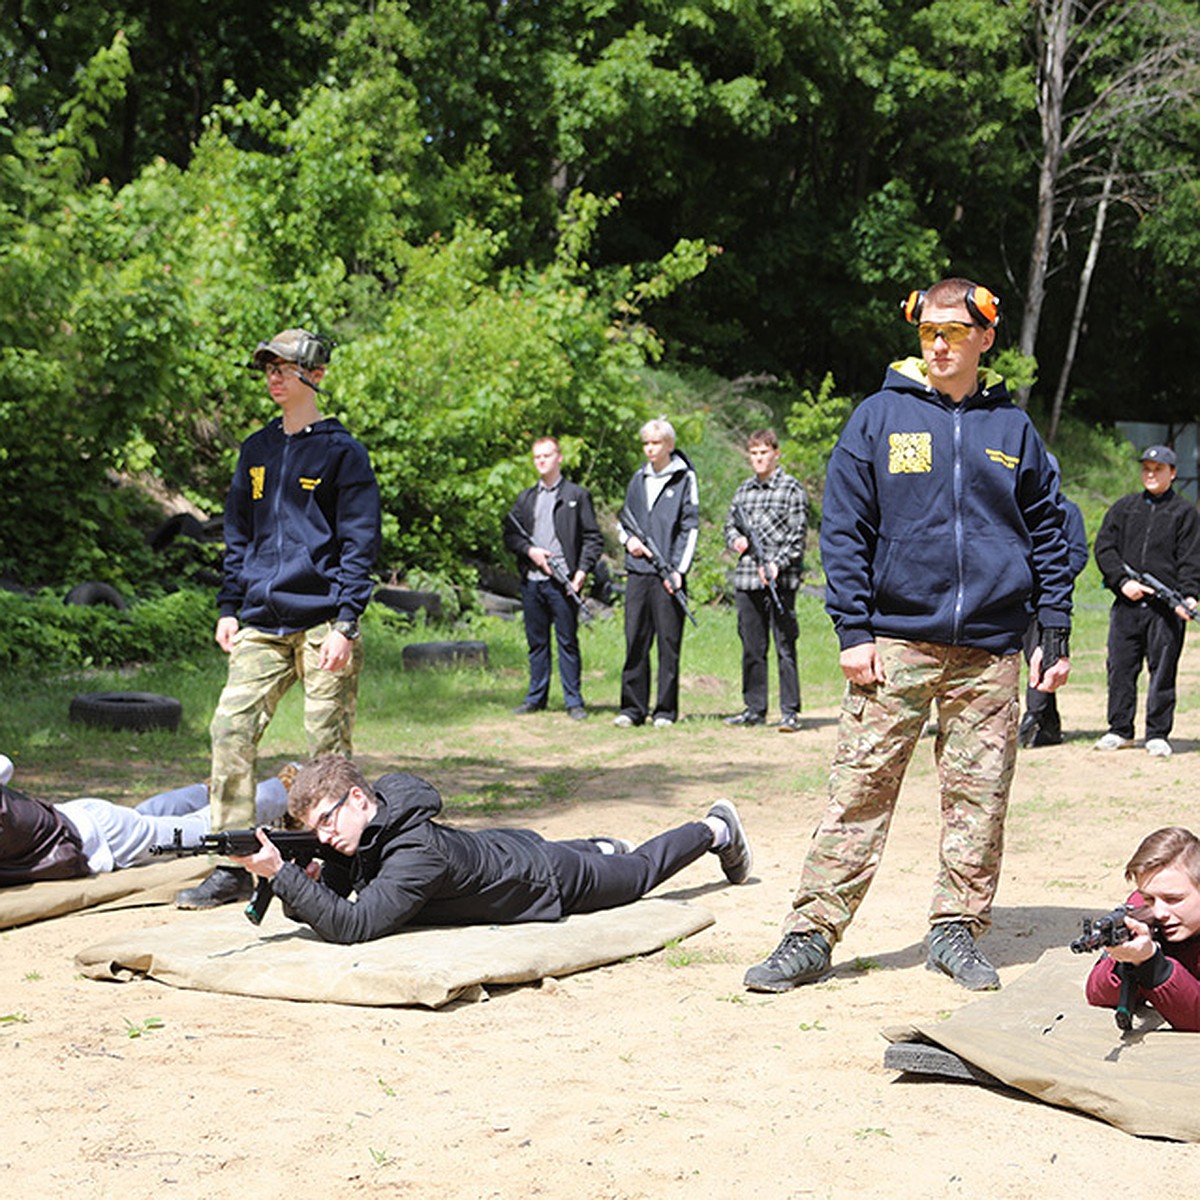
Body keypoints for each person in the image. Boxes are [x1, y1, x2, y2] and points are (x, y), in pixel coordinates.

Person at [743, 278, 1074, 995]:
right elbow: (844, 529)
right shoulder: (878, 418)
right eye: (929, 331)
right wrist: (853, 628)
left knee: (979, 799)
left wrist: (1054, 625)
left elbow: (1050, 529)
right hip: (893, 641)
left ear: (986, 337)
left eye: (955, 331)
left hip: (990, 649)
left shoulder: (1012, 429)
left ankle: (956, 931)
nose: (941, 343)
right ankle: (810, 933)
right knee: (858, 790)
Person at [176, 327, 381, 910]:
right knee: (229, 730)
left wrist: (346, 622)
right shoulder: (256, 449)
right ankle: (234, 864)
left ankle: (335, 865)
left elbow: (359, 541)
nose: (273, 377)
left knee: (325, 755)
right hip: (261, 620)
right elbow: (238, 537)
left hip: (323, 623)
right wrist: (228, 607)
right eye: (267, 368)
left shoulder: (343, 452)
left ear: (312, 375)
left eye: (283, 368)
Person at [229, 753, 752, 943]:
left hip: (544, 879)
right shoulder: (370, 831)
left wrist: (281, 872)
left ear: (360, 798)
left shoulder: (416, 851)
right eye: (314, 830)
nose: (324, 837)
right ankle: (599, 845)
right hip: (500, 851)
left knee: (637, 874)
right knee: (588, 853)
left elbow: (355, 926)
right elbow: (329, 903)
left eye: (326, 821)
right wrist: (298, 876)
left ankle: (714, 829)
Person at [0, 753, 291, 885]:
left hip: (102, 837)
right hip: (84, 816)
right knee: (145, 819)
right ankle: (207, 792)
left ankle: (290, 787)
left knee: (207, 832)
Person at [1092, 445, 1200, 758]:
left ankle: (1157, 733)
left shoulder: (1185, 513)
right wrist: (1122, 582)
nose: (1151, 474)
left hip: (1165, 611)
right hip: (1126, 607)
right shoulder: (1125, 508)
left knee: (1163, 671)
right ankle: (1120, 730)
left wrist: (1189, 596)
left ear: (1173, 473)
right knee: (1120, 669)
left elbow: (1192, 560)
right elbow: (1105, 548)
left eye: (1158, 469)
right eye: (1147, 469)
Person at [503, 437, 604, 720]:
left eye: (547, 455)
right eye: (537, 457)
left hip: (564, 583)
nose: (542, 461)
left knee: (567, 642)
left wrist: (582, 571)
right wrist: (531, 551)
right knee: (537, 643)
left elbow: (593, 538)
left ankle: (574, 702)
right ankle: (536, 698)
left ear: (559, 457)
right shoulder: (526, 498)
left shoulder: (576, 495)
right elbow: (510, 535)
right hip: (532, 581)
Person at [614, 419, 700, 728]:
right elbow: (623, 522)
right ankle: (632, 709)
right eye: (646, 443)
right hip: (638, 572)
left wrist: (678, 570)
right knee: (635, 640)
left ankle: (665, 710)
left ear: (669, 445)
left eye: (656, 443)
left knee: (668, 643)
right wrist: (629, 541)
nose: (650, 449)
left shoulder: (684, 479)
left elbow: (690, 527)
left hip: (668, 576)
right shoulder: (638, 479)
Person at [723, 429, 809, 732]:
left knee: (785, 645)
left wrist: (776, 565)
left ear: (776, 454)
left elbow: (797, 538)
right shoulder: (743, 491)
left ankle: (790, 712)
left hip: (780, 582)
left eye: (764, 452)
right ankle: (754, 709)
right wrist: (735, 540)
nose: (759, 458)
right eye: (754, 453)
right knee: (751, 646)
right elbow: (729, 525)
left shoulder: (791, 489)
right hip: (747, 579)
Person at [1085, 826, 1200, 1031]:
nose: (1159, 913)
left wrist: (1153, 965)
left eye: (1173, 899)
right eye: (1149, 898)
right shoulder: (1139, 910)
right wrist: (1126, 963)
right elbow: (1096, 993)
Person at [1017, 462, 1090, 747]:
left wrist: (1054, 581)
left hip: (1050, 600)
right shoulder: (1020, 511)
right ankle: (1050, 729)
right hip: (1021, 596)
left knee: (1045, 657)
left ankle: (1032, 717)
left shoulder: (1068, 511)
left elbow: (1078, 554)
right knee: (1032, 658)